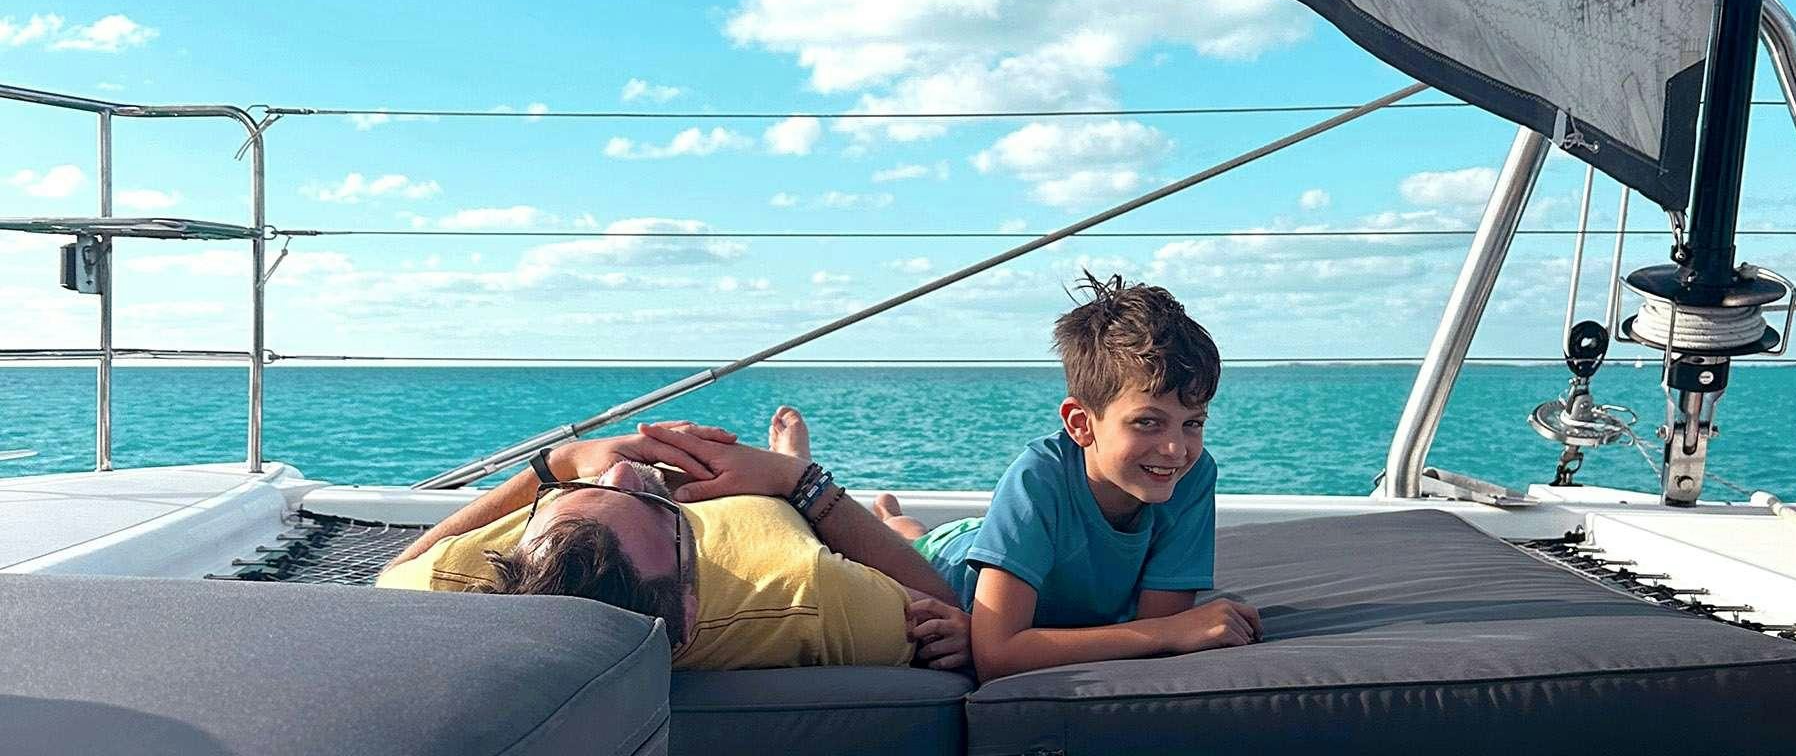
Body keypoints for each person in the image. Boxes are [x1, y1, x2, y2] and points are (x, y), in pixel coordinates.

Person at [870, 274, 1261, 681]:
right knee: (910, 542)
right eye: (1148, 422)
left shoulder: (1191, 476)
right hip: (954, 563)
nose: (1176, 449)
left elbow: (1156, 628)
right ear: (1080, 424)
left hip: (1019, 552)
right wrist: (1168, 631)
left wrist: (1164, 631)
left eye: (1193, 423)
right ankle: (890, 517)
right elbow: (998, 656)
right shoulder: (1038, 478)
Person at [377, 407, 970, 673]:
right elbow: (939, 601)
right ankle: (867, 507)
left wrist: (557, 467)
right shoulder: (808, 598)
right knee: (907, 532)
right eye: (654, 502)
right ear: (687, 610)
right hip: (782, 507)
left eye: (560, 506)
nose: (622, 468)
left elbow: (391, 574)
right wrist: (800, 482)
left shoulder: (459, 581)